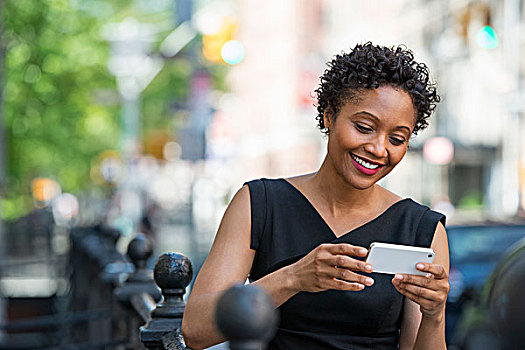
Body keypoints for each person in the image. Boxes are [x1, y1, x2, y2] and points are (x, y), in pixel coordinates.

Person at [182, 42, 449, 350]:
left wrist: (435, 315)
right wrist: (294, 277)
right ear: (328, 116)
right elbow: (195, 330)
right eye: (364, 127)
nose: (378, 149)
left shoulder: (421, 229)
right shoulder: (260, 203)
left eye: (397, 138)